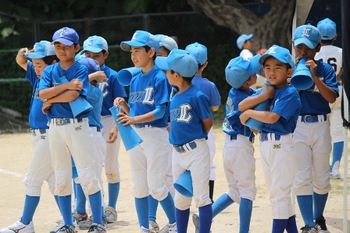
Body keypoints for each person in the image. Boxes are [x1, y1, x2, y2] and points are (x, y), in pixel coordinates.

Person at [38, 26, 106, 233]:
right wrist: (62, 89)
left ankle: (98, 223)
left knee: (86, 173)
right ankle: (68, 224)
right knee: (61, 175)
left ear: (76, 47)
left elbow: (73, 96)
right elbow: (42, 93)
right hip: (55, 127)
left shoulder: (81, 69)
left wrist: (52, 98)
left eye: (66, 46)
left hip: (77, 126)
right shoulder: (50, 70)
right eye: (57, 45)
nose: (61, 50)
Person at [113, 30, 177, 233]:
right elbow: (134, 111)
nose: (133, 55)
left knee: (157, 186)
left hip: (156, 136)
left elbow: (160, 112)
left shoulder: (160, 77)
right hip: (136, 136)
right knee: (139, 186)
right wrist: (124, 106)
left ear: (151, 52)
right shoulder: (135, 79)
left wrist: (133, 118)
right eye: (131, 51)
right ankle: (144, 227)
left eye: (137, 50)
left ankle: (176, 224)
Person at [191, 54, 263, 233]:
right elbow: (258, 100)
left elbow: (255, 94)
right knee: (247, 191)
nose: (257, 74)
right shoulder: (244, 98)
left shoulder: (235, 90)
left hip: (230, 147)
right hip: (241, 146)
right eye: (254, 73)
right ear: (247, 82)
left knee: (234, 191)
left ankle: (204, 218)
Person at [239, 45, 301, 233]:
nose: (271, 72)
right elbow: (242, 105)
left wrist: (250, 113)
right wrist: (262, 97)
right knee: (279, 197)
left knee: (279, 196)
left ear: (289, 70)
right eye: (267, 67)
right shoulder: (271, 90)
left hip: (281, 145)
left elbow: (273, 117)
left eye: (277, 67)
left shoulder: (290, 92)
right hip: (267, 144)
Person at [0, 41, 60, 233]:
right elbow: (20, 59)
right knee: (53, 181)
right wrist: (28, 52)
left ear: (52, 63)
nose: (36, 69)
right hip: (37, 136)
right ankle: (69, 219)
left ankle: (26, 223)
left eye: (39, 65)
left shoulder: (56, 80)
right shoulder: (38, 76)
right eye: (34, 65)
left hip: (49, 135)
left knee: (32, 179)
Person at [155, 49, 213, 233]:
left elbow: (208, 123)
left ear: (177, 75)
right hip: (178, 154)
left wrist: (192, 135)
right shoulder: (175, 95)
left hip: (196, 152)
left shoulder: (197, 96)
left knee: (202, 197)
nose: (165, 74)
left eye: (168, 71)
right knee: (181, 199)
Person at [292, 24, 338, 233]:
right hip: (298, 127)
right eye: (299, 47)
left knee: (321, 176)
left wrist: (315, 76)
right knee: (302, 177)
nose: (303, 52)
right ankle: (308, 224)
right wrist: (290, 74)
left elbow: (331, 97)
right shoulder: (288, 68)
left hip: (320, 124)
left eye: (308, 48)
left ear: (318, 48)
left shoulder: (325, 68)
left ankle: (318, 218)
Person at [81, 35, 127, 224]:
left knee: (109, 166)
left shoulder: (113, 75)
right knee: (89, 168)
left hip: (108, 120)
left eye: (96, 55)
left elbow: (121, 103)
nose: (92, 59)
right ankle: (93, 210)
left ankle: (111, 207)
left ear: (106, 54)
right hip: (87, 121)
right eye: (88, 55)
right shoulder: (80, 76)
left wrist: (117, 126)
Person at [148, 34, 179, 233]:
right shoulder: (150, 75)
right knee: (154, 177)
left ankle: (176, 219)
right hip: (157, 129)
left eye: (161, 54)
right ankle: (151, 219)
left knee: (166, 176)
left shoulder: (173, 75)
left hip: (169, 129)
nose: (157, 59)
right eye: (155, 54)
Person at [185, 42, 221, 206]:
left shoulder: (178, 82)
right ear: (205, 64)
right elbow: (215, 107)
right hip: (205, 129)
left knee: (184, 164)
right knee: (208, 165)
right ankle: (208, 200)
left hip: (184, 128)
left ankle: (185, 199)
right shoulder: (208, 85)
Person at [314, 18, 344, 179]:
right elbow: (342, 72)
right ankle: (336, 167)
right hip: (336, 90)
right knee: (338, 131)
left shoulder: (314, 51)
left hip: (318, 91)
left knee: (320, 130)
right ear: (335, 36)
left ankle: (321, 167)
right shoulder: (340, 51)